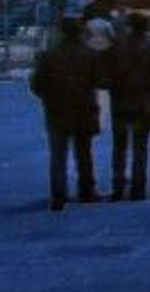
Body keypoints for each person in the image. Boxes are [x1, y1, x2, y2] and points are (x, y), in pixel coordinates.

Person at [30, 17, 103, 210]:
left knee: (58, 156)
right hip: (84, 108)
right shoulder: (90, 54)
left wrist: (50, 96)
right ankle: (87, 191)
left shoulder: (49, 56)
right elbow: (100, 80)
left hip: (57, 109)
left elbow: (37, 85)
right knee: (84, 153)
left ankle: (58, 195)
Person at [106, 11, 150, 200]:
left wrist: (115, 87)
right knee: (140, 146)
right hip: (143, 100)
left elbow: (106, 72)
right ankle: (138, 188)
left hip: (120, 99)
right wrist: (149, 89)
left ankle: (118, 187)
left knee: (119, 146)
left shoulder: (115, 47)